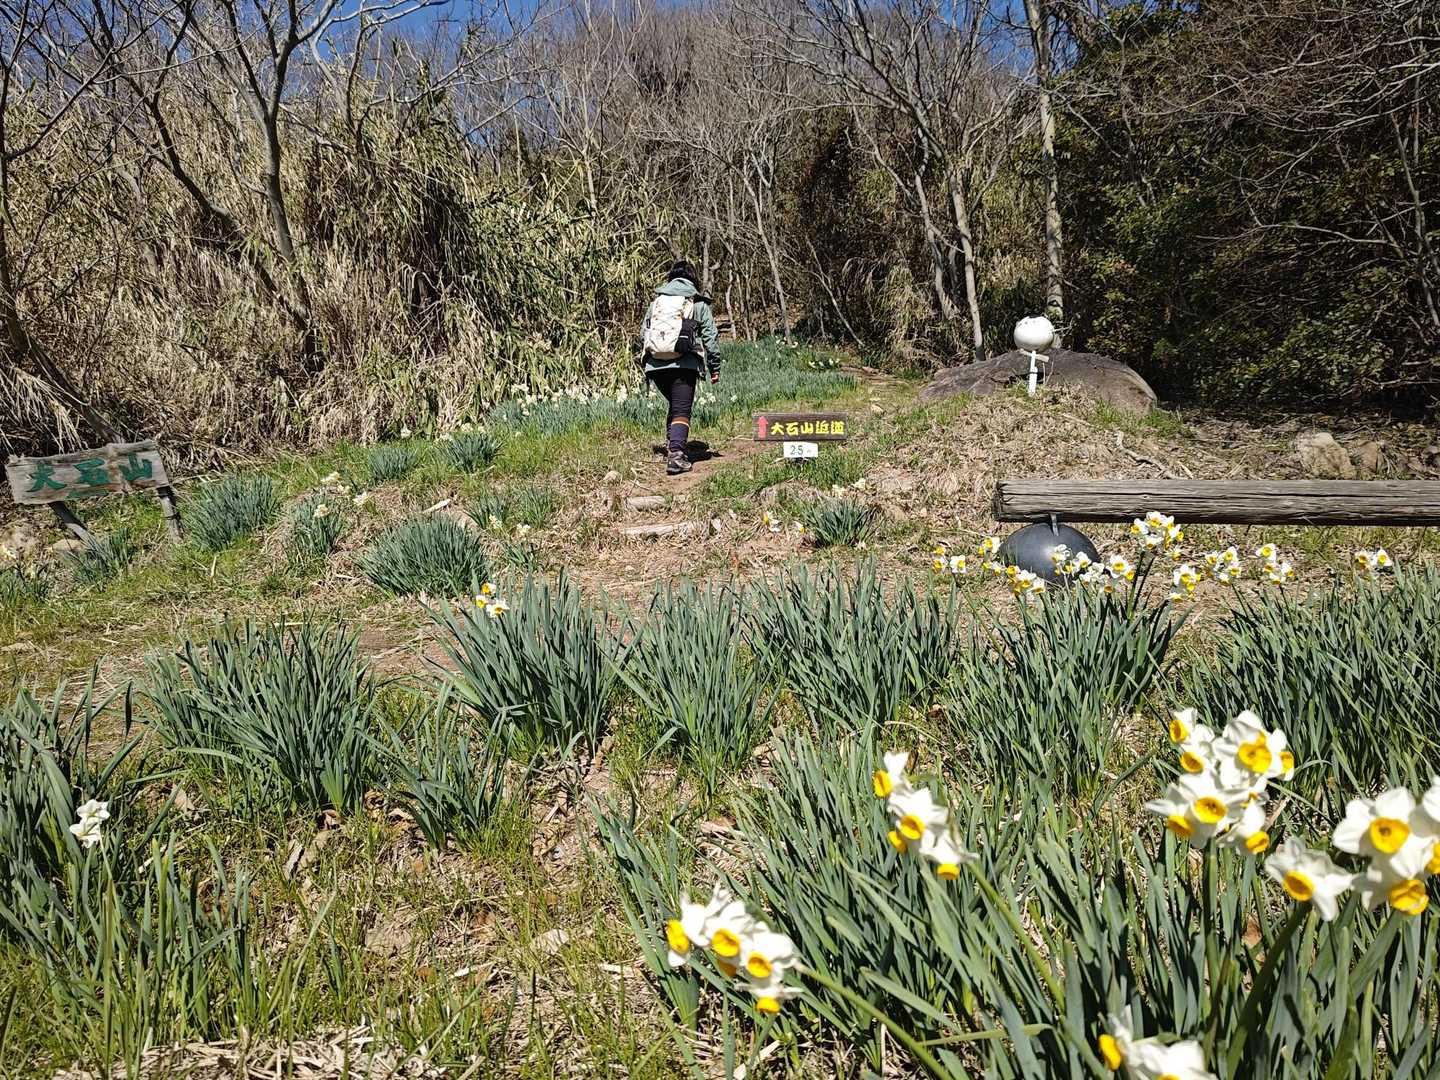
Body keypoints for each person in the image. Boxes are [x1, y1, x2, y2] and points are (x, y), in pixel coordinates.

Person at [639, 261, 720, 475]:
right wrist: (715, 367)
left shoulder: (656, 303)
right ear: (693, 279)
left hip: (655, 367)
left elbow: (643, 333)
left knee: (676, 405)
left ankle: (673, 443)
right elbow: (711, 338)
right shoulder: (697, 303)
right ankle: (676, 456)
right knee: (682, 410)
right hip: (684, 365)